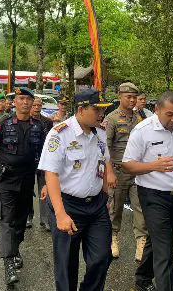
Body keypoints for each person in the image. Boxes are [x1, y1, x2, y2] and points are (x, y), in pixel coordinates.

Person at [38, 88, 113, 291]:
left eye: (103, 110)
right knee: (66, 264)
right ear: (81, 109)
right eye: (97, 110)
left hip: (96, 206)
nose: (101, 114)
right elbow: (51, 174)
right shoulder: (59, 134)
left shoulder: (101, 134)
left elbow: (103, 166)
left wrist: (105, 199)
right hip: (68, 205)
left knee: (102, 258)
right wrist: (60, 214)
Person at [122, 91, 173, 291]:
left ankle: (143, 277)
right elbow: (127, 165)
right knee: (165, 250)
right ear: (156, 109)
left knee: (159, 239)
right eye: (170, 114)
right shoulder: (142, 130)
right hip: (152, 194)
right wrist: (154, 165)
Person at [0, 87, 45, 286]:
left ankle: (14, 250)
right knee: (7, 220)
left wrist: (44, 184)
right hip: (5, 180)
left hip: (26, 181)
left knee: (21, 221)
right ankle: (8, 264)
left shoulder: (39, 127)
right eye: (20, 98)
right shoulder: (2, 124)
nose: (24, 102)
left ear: (33, 103)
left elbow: (44, 159)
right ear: (14, 102)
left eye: (28, 99)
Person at [102, 82, 147, 261]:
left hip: (137, 171)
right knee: (115, 207)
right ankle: (113, 237)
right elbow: (104, 147)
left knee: (140, 207)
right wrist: (109, 172)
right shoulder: (111, 119)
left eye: (134, 97)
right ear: (119, 96)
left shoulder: (140, 118)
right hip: (118, 171)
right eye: (128, 96)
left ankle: (141, 242)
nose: (132, 100)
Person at [27, 96, 53, 230]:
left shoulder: (47, 122)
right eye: (34, 105)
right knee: (27, 190)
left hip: (44, 160)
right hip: (29, 160)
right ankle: (28, 217)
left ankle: (45, 219)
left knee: (45, 189)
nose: (37, 108)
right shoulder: (25, 120)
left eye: (39, 105)